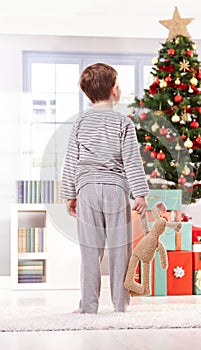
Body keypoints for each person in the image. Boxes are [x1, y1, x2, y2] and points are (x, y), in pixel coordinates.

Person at [60, 62, 149, 314]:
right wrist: (140, 192)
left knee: (90, 250)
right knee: (120, 249)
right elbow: (132, 159)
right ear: (113, 90)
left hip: (87, 189)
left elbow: (71, 160)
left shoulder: (79, 123)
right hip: (115, 190)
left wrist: (70, 195)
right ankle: (120, 305)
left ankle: (89, 306)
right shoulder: (124, 123)